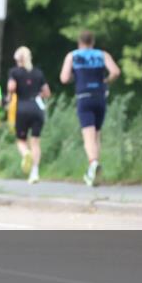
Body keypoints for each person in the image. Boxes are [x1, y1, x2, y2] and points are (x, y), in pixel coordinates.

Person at [60, 30, 121, 187]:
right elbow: (115, 71)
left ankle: (93, 164)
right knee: (97, 135)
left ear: (79, 42)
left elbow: (64, 78)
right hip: (100, 97)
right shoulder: (102, 55)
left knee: (88, 135)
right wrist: (106, 80)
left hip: (84, 97)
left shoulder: (72, 56)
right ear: (93, 42)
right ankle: (93, 171)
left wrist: (75, 76)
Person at [7, 46, 51, 184]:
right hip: (37, 108)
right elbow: (47, 93)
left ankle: (26, 154)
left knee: (21, 140)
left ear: (17, 59)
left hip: (22, 107)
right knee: (36, 141)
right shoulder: (38, 73)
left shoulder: (14, 72)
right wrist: (38, 94)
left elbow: (12, 87)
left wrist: (9, 97)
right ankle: (35, 172)